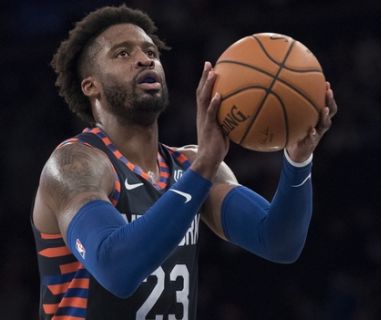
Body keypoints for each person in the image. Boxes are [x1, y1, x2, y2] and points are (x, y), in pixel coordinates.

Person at [31, 5, 337, 320]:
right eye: (122, 54)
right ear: (90, 85)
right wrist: (204, 166)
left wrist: (298, 161)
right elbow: (116, 270)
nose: (144, 59)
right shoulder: (74, 164)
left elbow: (278, 242)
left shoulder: (189, 164)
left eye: (151, 51)